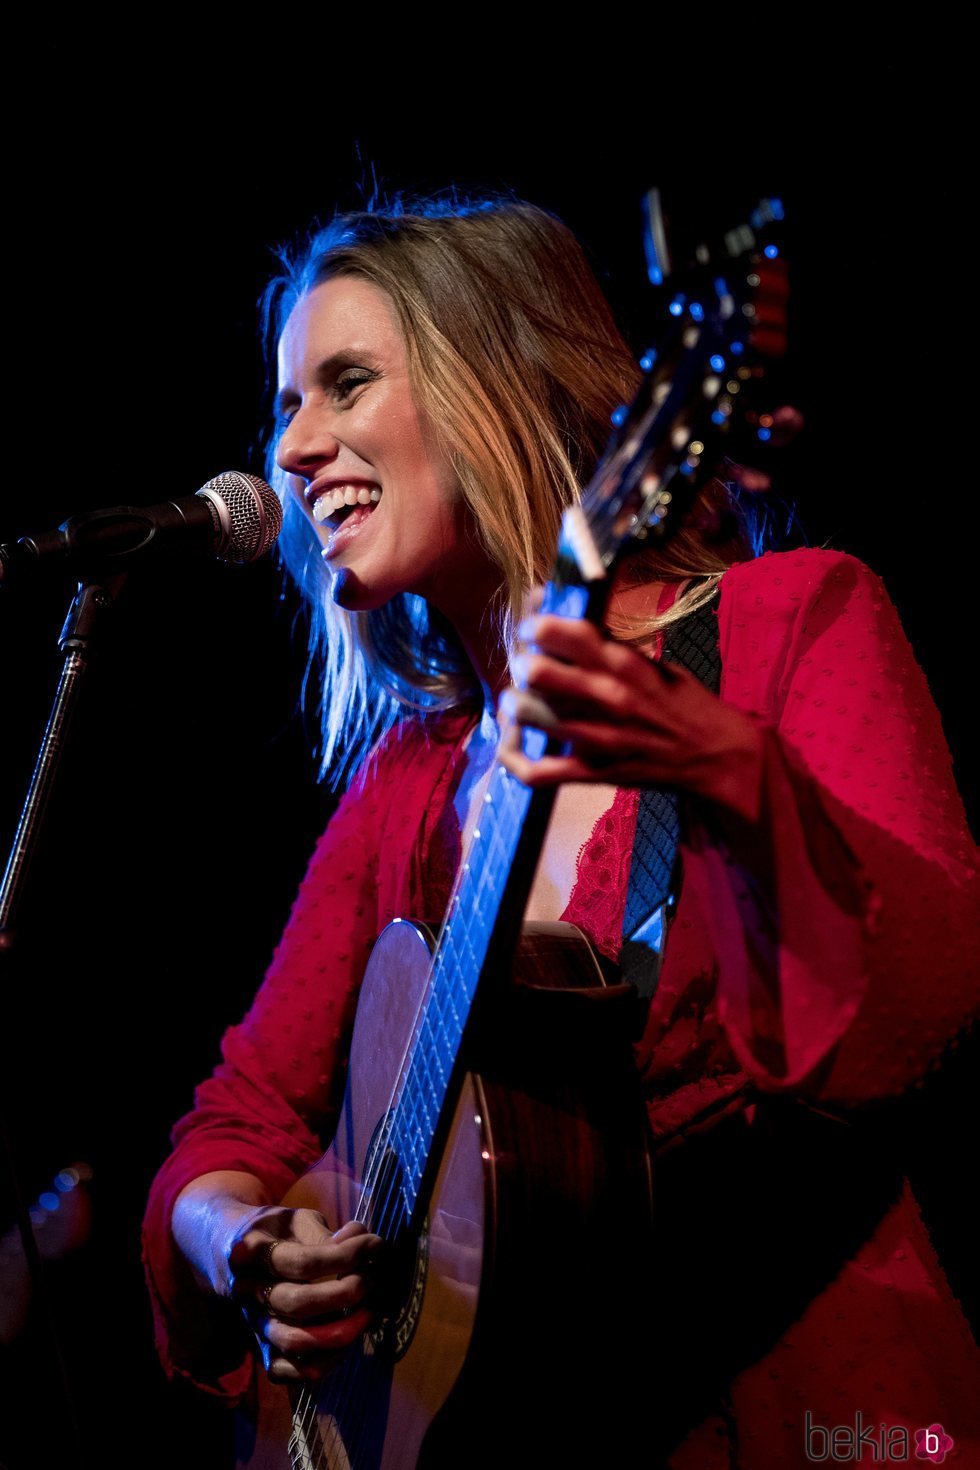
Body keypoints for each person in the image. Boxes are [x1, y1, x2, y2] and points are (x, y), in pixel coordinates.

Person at [142, 193, 980, 1468]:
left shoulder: (790, 623)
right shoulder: (405, 790)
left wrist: (731, 773)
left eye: (345, 384)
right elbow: (232, 1128)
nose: (293, 448)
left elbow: (920, 1004)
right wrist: (245, 1246)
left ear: (499, 383)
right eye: (284, 405)